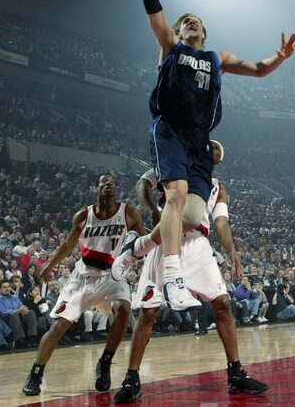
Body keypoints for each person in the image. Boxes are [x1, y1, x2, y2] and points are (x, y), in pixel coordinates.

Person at [139, 0, 295, 311]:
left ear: (204, 32)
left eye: (197, 21)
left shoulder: (216, 57)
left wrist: (279, 58)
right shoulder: (169, 48)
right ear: (178, 32)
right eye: (185, 22)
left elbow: (258, 70)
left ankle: (139, 247)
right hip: (170, 129)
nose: (191, 22)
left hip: (199, 140)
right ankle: (175, 281)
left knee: (193, 215)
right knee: (176, 197)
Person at [112, 140, 268, 403]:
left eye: (215, 150)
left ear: (217, 161)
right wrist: (152, 210)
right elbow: (142, 185)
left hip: (198, 244)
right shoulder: (176, 167)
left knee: (222, 304)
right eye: (207, 147)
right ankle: (131, 378)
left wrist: (232, 249)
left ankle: (236, 372)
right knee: (148, 312)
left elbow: (221, 222)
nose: (209, 150)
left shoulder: (219, 188)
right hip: (167, 240)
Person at [21, 173, 145, 396]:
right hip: (83, 277)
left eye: (112, 183)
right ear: (95, 189)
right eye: (103, 183)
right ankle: (36, 373)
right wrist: (49, 267)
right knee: (58, 327)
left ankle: (105, 362)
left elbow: (145, 242)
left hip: (111, 277)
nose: (108, 185)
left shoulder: (128, 213)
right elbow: (68, 246)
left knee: (124, 310)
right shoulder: (83, 216)